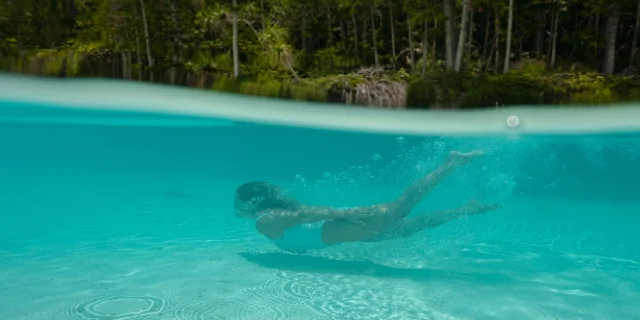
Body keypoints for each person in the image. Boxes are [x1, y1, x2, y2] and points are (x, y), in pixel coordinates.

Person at [233, 150, 502, 253]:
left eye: (239, 202)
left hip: (357, 225)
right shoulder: (272, 218)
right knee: (417, 224)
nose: (236, 207)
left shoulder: (264, 221)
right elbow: (302, 221)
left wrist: (346, 212)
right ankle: (469, 209)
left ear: (250, 204)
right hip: (361, 233)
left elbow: (305, 216)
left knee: (405, 203)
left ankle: (451, 163)